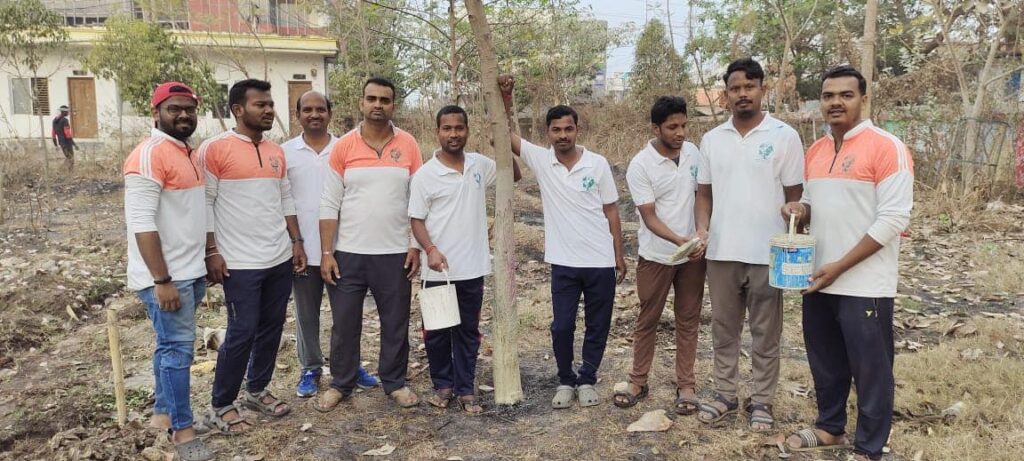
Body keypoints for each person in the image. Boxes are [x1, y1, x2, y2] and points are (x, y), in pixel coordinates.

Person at [782, 65, 913, 461]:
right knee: (826, 360)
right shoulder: (817, 150)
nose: (835, 102)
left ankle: (870, 446)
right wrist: (799, 209)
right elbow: (812, 201)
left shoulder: (887, 147)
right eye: (828, 96)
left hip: (864, 281)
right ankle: (829, 427)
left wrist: (840, 265)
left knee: (871, 368)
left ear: (863, 98)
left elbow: (893, 219)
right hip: (818, 276)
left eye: (846, 95)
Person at [499, 75, 626, 410]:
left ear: (577, 129)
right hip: (564, 263)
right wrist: (506, 98)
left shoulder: (596, 164)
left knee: (598, 324)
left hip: (600, 260)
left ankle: (587, 378)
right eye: (556, 130)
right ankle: (566, 379)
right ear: (547, 133)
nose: (563, 135)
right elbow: (506, 135)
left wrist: (619, 254)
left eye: (568, 129)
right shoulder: (543, 161)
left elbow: (612, 211)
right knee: (563, 325)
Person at [694, 58, 804, 431]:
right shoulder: (712, 139)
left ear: (763, 89)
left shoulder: (784, 136)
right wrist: (702, 231)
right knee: (724, 329)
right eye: (735, 88)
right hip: (722, 251)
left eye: (749, 87)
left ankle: (762, 401)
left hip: (766, 252)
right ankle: (724, 394)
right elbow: (703, 195)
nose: (742, 94)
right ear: (726, 95)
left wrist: (794, 227)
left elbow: (795, 196)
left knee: (765, 331)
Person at [198, 79, 306, 434]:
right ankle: (221, 402)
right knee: (242, 330)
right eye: (261, 104)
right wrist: (211, 251)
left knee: (271, 328)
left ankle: (256, 390)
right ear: (238, 109)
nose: (269, 110)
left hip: (277, 257)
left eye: (270, 104)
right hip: (239, 262)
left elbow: (285, 198)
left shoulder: (276, 151)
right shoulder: (214, 150)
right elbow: (206, 204)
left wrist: (296, 241)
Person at [316, 77, 423, 411]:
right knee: (345, 324)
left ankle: (394, 382)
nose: (378, 105)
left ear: (394, 105)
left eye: (385, 100)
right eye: (372, 99)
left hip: (394, 254)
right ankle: (341, 383)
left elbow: (418, 200)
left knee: (396, 323)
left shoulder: (409, 145)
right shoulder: (344, 147)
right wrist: (327, 252)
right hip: (348, 253)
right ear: (361, 103)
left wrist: (414, 245)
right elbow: (329, 203)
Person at [409, 105, 521, 415]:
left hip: (472, 267)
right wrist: (429, 249)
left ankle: (465, 389)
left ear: (467, 131)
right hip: (438, 270)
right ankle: (443, 386)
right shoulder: (424, 175)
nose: (454, 134)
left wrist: (502, 143)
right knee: (436, 332)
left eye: (459, 128)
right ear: (438, 132)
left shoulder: (478, 166)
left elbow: (514, 175)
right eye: (447, 128)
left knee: (467, 332)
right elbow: (416, 219)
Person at [123, 82, 212, 461]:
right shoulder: (147, 155)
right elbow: (141, 223)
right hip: (167, 278)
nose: (183, 115)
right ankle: (184, 432)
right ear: (155, 110)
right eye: (174, 109)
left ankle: (162, 416)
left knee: (167, 347)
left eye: (189, 109)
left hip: (189, 271)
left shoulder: (187, 153)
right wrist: (162, 280)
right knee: (179, 352)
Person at [281, 90, 379, 398]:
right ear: (298, 115)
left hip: (345, 248)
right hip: (303, 250)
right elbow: (283, 201)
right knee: (306, 315)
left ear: (330, 113)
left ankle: (348, 367)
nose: (314, 114)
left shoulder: (347, 147)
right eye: (307, 109)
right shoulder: (285, 153)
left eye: (320, 109)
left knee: (347, 315)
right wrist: (294, 240)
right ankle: (310, 368)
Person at [614, 96, 706, 413]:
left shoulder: (694, 153)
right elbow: (649, 217)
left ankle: (687, 385)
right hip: (656, 256)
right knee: (648, 319)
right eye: (672, 127)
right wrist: (679, 238)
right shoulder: (641, 165)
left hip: (693, 256)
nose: (680, 132)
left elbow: (701, 196)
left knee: (688, 319)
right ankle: (638, 381)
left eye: (683, 125)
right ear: (656, 128)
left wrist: (699, 236)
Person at [52, 105, 78, 172]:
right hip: (67, 142)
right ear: (63, 112)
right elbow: (67, 134)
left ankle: (62, 171)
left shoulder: (54, 121)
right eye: (67, 112)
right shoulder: (65, 120)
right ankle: (68, 172)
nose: (68, 113)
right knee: (71, 158)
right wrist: (74, 144)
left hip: (61, 142)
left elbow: (53, 134)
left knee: (67, 157)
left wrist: (55, 145)